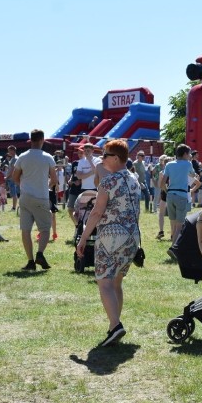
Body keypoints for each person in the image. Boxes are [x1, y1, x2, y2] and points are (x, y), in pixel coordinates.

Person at [76, 139, 141, 346]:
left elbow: (96, 212)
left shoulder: (108, 182)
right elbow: (104, 180)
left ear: (115, 158)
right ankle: (115, 325)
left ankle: (115, 325)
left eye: (104, 155)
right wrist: (99, 169)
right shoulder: (133, 179)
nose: (101, 158)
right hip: (132, 238)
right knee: (116, 283)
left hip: (112, 237)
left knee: (104, 282)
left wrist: (83, 237)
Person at [12, 130, 58, 271]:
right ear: (42, 140)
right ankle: (40, 253)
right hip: (41, 197)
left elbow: (15, 177)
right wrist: (46, 186)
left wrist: (24, 186)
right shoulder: (48, 157)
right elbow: (54, 180)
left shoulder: (22, 157)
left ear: (30, 140)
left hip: (25, 197)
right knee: (45, 229)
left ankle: (30, 261)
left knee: (25, 230)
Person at [162, 145, 197, 243]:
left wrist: (167, 192)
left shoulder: (169, 164)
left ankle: (173, 243)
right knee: (179, 225)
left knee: (173, 223)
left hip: (170, 195)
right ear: (185, 154)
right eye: (189, 153)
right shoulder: (188, 164)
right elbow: (193, 175)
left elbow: (162, 183)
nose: (190, 155)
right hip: (181, 195)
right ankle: (174, 247)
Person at [4, 145, 20, 213]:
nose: (8, 152)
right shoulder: (13, 158)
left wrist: (7, 177)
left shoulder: (15, 159)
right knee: (13, 193)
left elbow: (13, 170)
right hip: (11, 178)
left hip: (12, 178)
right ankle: (14, 207)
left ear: (13, 150)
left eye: (9, 150)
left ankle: (14, 208)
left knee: (14, 193)